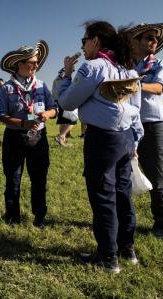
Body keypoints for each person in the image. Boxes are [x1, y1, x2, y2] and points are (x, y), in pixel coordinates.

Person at [58, 21, 143, 273]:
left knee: (103, 195)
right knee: (122, 193)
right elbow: (136, 109)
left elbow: (68, 101)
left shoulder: (92, 67)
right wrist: (135, 140)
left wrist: (65, 75)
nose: (82, 47)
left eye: (84, 41)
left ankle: (108, 257)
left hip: (102, 140)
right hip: (125, 137)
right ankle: (126, 249)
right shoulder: (127, 69)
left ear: (95, 40)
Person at [0, 40, 56, 227]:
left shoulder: (41, 85)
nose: (36, 66)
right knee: (13, 179)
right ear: (20, 64)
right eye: (32, 62)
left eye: (37, 62)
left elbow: (54, 108)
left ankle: (40, 217)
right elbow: (1, 116)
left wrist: (47, 113)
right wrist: (24, 123)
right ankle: (12, 217)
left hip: (38, 138)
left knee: (39, 179)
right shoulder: (6, 88)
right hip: (15, 138)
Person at [129, 23, 163, 238]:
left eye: (155, 39)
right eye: (149, 38)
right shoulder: (127, 66)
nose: (154, 42)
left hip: (152, 126)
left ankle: (162, 223)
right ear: (136, 41)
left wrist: (134, 85)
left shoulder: (162, 65)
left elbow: (158, 88)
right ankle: (125, 219)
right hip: (128, 125)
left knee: (157, 178)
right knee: (124, 173)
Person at [52, 66, 78, 147]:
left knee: (63, 121)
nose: (72, 71)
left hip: (58, 101)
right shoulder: (64, 78)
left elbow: (54, 92)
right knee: (72, 120)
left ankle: (62, 140)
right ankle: (61, 136)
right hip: (65, 100)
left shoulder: (56, 79)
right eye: (72, 70)